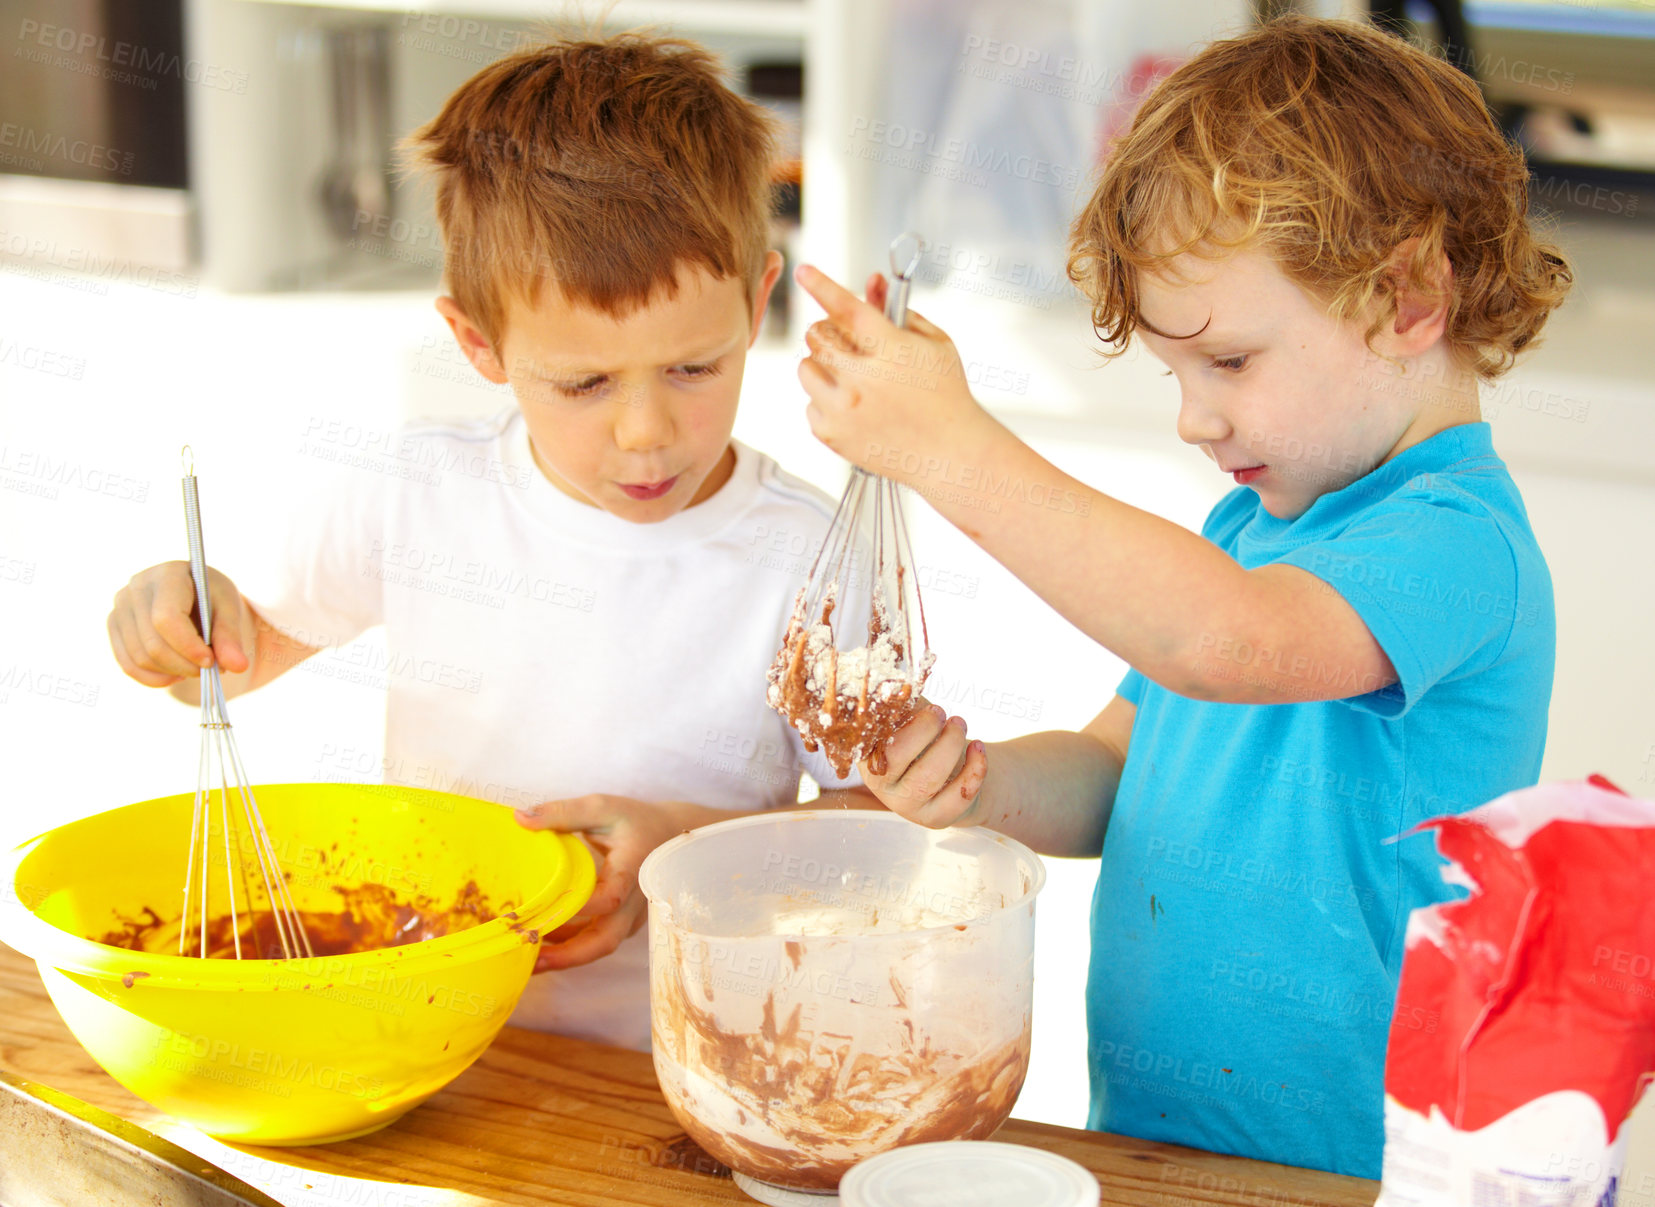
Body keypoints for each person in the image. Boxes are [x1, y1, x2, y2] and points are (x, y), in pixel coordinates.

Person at [790, 15, 1571, 1178]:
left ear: (1408, 298)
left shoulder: (1458, 543)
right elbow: (1118, 776)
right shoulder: (1246, 532)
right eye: (1174, 372)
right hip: (1152, 1147)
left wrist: (949, 448)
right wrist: (976, 784)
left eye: (1229, 362)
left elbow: (1230, 642)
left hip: (1352, 1170)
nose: (1192, 418)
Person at [104, 30, 877, 1051]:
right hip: (439, 1041)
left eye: (694, 368)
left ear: (755, 302)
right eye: (583, 383)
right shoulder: (416, 493)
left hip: (701, 1057)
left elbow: (877, 827)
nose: (645, 432)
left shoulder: (808, 559)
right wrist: (175, 614)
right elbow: (237, 651)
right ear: (479, 343)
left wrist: (687, 850)